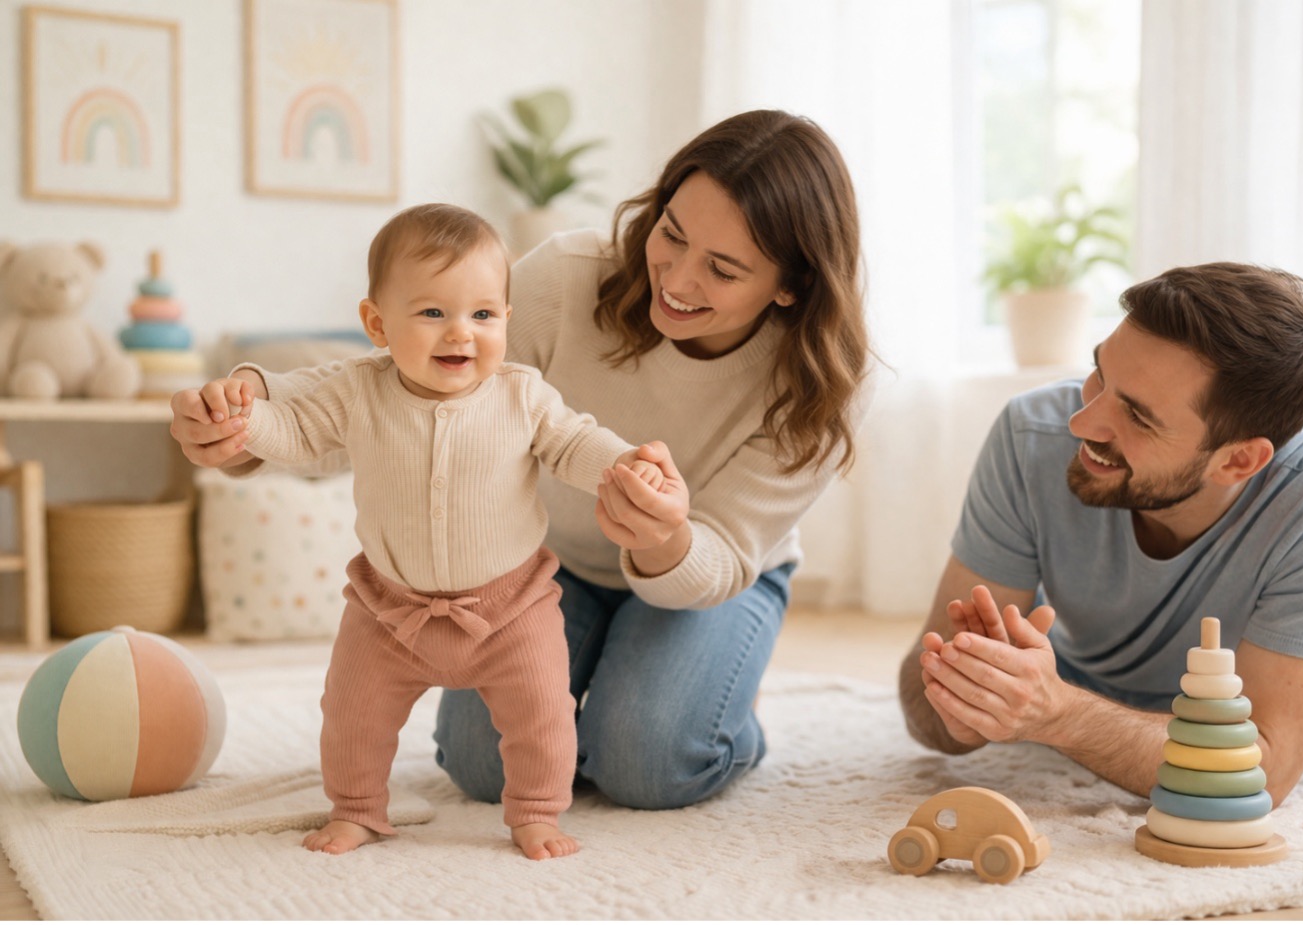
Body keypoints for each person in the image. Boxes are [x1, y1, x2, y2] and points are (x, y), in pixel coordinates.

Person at [170, 110, 873, 813]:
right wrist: (249, 421)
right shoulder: (568, 280)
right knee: (481, 766)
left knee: (647, 762)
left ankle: (724, 717)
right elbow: (390, 390)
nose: (677, 279)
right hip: (540, 567)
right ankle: (619, 679)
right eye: (671, 234)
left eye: (722, 269)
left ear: (790, 285)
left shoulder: (823, 381)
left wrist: (664, 538)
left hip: (711, 577)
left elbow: (720, 556)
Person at [194, 203, 666, 860]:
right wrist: (244, 423)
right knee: (352, 713)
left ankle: (535, 811)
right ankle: (357, 807)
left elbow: (573, 442)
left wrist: (623, 463)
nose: (459, 334)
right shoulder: (359, 391)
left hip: (510, 609)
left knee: (542, 714)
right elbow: (295, 431)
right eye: (432, 313)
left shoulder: (521, 395)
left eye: (482, 314)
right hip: (389, 610)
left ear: (505, 316)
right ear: (377, 324)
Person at [897, 262, 1303, 806]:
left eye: (1139, 417)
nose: (1082, 424)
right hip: (1079, 684)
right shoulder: (1030, 434)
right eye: (1100, 374)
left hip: (1215, 715)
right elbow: (922, 699)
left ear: (1239, 460)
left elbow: (1258, 771)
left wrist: (1062, 716)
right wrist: (964, 705)